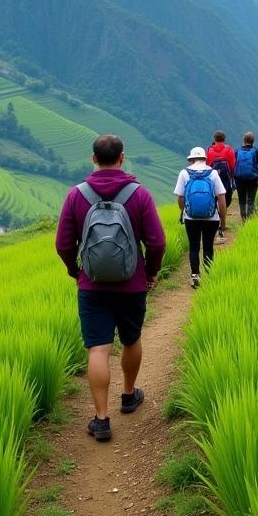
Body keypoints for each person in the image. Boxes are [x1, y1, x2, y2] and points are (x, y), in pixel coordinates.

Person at [55, 134, 166, 443]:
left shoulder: (76, 195)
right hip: (132, 284)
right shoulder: (139, 194)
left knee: (98, 348)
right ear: (122, 157)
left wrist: (75, 271)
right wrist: (151, 272)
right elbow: (156, 242)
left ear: (94, 159)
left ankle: (101, 419)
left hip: (92, 286)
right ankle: (129, 395)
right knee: (131, 339)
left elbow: (63, 243)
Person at [174, 147, 228, 289]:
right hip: (211, 217)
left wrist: (184, 211)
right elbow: (221, 198)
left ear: (191, 159)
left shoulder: (184, 173)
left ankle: (195, 275)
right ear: (205, 159)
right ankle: (209, 275)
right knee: (208, 246)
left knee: (194, 246)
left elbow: (180, 197)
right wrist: (223, 221)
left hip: (191, 218)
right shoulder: (213, 173)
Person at [233, 131, 258, 221]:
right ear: (253, 141)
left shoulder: (237, 151)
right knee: (251, 199)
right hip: (253, 178)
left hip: (239, 178)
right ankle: (250, 218)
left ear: (243, 140)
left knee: (241, 198)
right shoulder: (257, 151)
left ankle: (243, 217)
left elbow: (234, 164)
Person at [206, 130, 236, 218]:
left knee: (214, 195)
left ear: (214, 138)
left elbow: (207, 165)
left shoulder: (209, 150)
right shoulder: (229, 149)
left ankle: (214, 214)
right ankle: (222, 214)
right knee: (226, 196)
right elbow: (232, 165)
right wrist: (232, 176)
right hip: (225, 178)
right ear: (224, 139)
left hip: (213, 178)